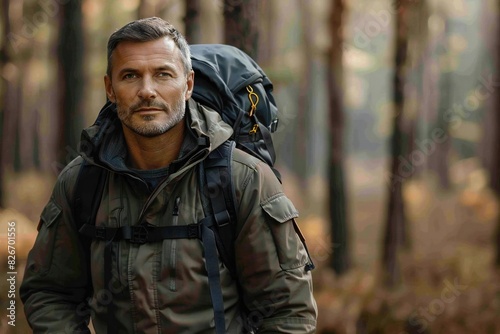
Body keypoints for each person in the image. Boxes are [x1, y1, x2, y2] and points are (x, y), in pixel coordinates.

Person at [20, 17, 317, 333]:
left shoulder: (243, 180)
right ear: (110, 88)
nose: (147, 91)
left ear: (187, 84)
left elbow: (288, 314)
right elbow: (49, 293)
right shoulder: (82, 181)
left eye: (162, 74)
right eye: (130, 75)